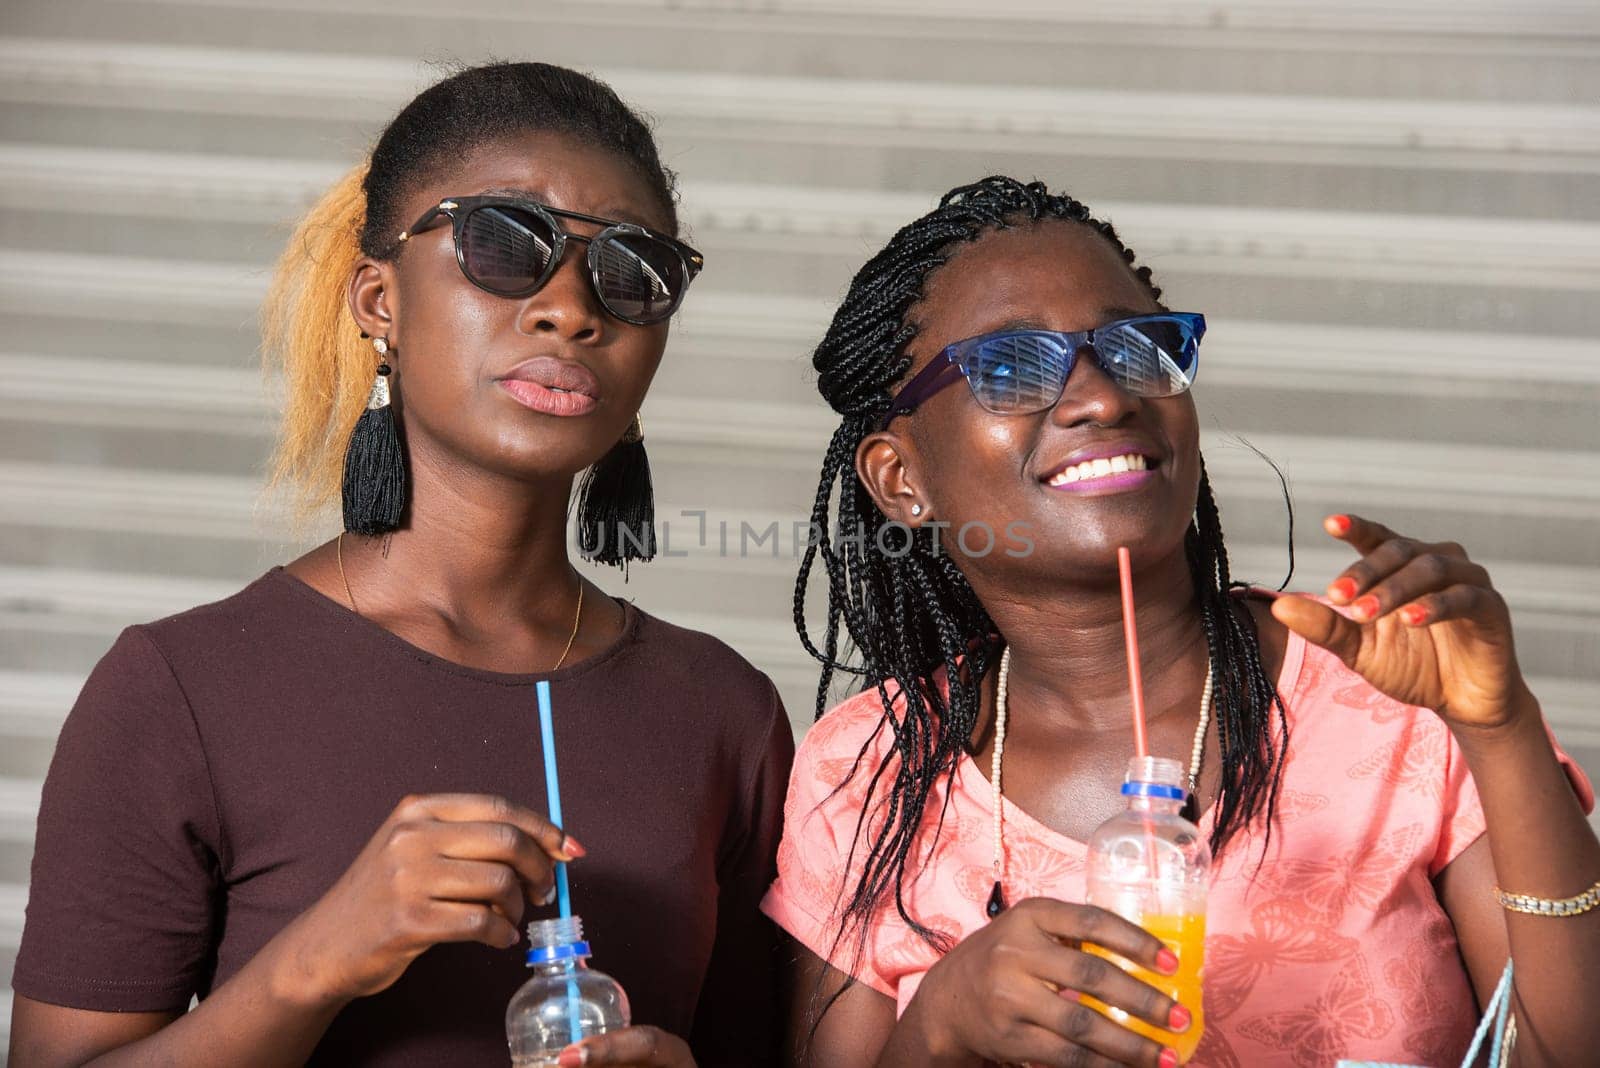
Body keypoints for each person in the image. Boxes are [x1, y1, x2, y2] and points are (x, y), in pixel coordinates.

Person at [10, 62, 792, 1068]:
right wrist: (319, 959)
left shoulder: (722, 712)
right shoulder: (181, 691)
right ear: (377, 298)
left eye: (631, 271)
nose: (570, 309)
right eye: (502, 243)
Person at [762, 175, 1598, 1068]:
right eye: (1011, 368)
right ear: (902, 480)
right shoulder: (866, 771)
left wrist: (1498, 729)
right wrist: (937, 1031)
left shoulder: (1394, 689)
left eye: (1135, 348)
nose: (1104, 397)